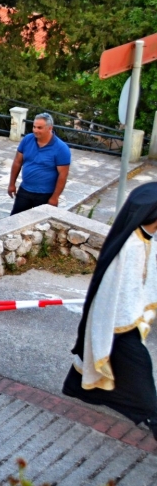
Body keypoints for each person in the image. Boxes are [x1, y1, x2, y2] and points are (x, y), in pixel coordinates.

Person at [63, 183, 157, 440]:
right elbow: (118, 293)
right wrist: (128, 319)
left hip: (126, 320)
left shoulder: (144, 239)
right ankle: (153, 416)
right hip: (117, 323)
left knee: (107, 362)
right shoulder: (131, 246)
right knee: (140, 369)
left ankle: (81, 389)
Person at [8, 112, 71, 215]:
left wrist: (55, 198)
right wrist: (11, 184)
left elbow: (63, 175)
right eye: (34, 127)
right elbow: (17, 162)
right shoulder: (27, 140)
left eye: (39, 128)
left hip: (45, 195)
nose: (35, 130)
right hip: (25, 190)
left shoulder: (61, 148)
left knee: (40, 225)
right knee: (14, 220)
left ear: (49, 128)